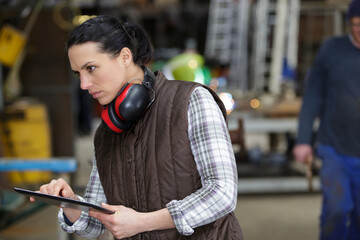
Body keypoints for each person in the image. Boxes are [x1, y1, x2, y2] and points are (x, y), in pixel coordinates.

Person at [31, 15, 243, 239]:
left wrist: (143, 222)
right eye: (78, 74)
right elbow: (94, 226)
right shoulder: (106, 132)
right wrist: (70, 203)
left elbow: (222, 193)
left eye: (91, 68)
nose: (84, 84)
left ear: (124, 56)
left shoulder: (192, 100)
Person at [293, 1, 360, 239]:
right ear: (349, 24)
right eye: (355, 24)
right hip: (334, 147)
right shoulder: (332, 50)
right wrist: (303, 140)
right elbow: (313, 96)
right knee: (337, 209)